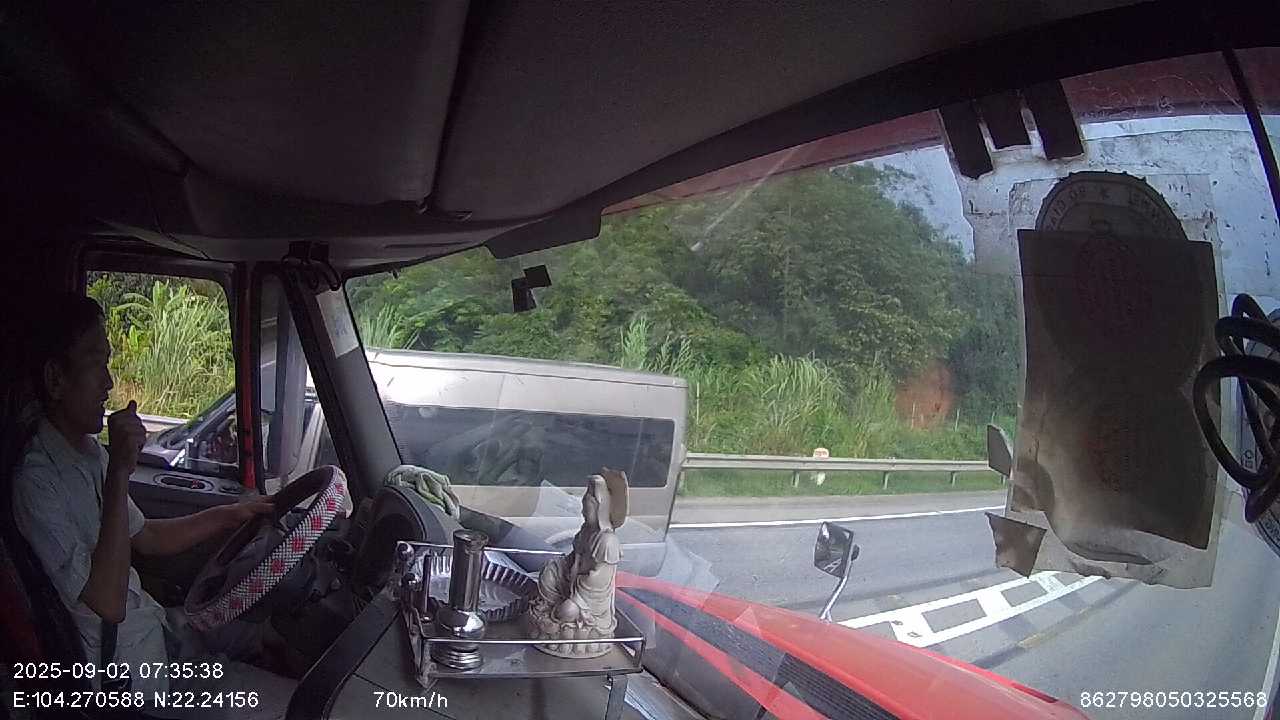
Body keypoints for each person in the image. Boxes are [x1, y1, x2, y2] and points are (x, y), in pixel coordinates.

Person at [8, 293, 287, 710]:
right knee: (287, 705)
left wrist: (231, 514)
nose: (108, 383)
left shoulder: (87, 451)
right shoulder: (35, 483)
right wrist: (121, 471)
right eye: (96, 364)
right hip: (128, 677)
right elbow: (108, 604)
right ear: (55, 379)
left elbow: (147, 537)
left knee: (272, 638)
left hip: (158, 630)